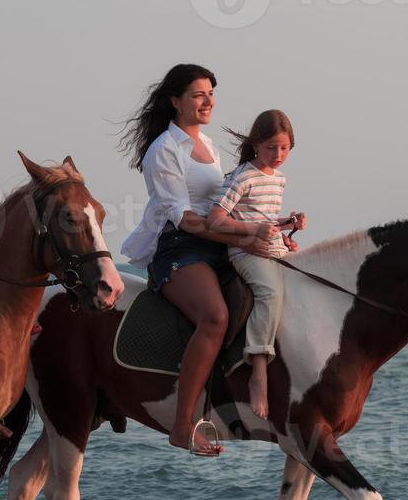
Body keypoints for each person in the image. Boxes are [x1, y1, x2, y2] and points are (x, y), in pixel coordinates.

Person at [118, 64, 279, 457]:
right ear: (176, 102)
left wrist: (267, 229)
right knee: (215, 317)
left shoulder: (207, 145)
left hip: (218, 243)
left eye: (210, 94)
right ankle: (182, 425)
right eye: (198, 94)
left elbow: (224, 207)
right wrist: (245, 235)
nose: (208, 101)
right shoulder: (163, 150)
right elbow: (187, 219)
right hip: (179, 248)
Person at [206, 110, 306, 421]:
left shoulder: (279, 179)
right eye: (271, 148)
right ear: (255, 146)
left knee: (310, 286)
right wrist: (253, 231)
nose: (278, 155)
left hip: (272, 248)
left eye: (285, 148)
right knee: (271, 295)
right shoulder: (243, 176)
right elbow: (215, 219)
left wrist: (287, 225)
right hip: (245, 253)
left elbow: (262, 219)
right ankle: (258, 371)